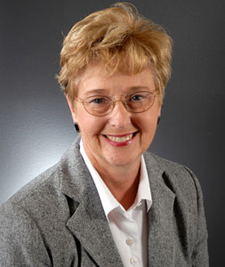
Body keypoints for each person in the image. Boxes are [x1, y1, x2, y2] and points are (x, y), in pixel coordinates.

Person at [0, 2, 209, 266]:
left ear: (160, 101)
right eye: (98, 100)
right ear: (73, 107)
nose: (120, 120)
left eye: (137, 97)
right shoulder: (24, 222)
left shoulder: (185, 188)